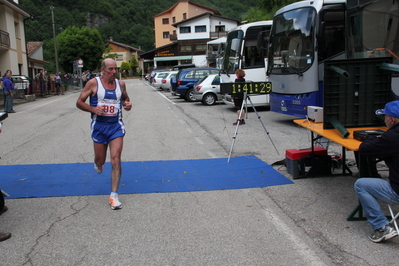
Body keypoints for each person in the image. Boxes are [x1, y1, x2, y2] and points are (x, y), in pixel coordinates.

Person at [76, 58, 132, 210]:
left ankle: (114, 196)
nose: (114, 72)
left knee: (115, 159)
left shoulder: (120, 84)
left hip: (115, 126)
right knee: (101, 161)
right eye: (110, 69)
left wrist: (127, 104)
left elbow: (125, 98)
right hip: (99, 127)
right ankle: (97, 162)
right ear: (103, 70)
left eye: (115, 69)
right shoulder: (93, 83)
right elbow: (79, 102)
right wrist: (93, 109)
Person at [354, 100, 399, 243]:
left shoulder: (392, 137)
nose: (384, 120)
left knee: (361, 184)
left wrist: (374, 138)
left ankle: (381, 227)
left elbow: (365, 149)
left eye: (385, 117)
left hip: (397, 190)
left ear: (392, 119)